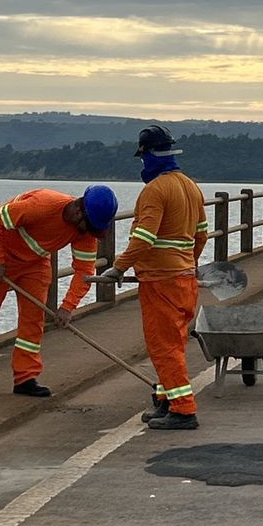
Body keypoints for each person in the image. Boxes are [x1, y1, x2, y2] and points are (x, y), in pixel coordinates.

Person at [0, 185, 118, 399]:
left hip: (34, 263)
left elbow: (84, 272)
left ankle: (25, 378)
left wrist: (67, 307)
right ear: (79, 210)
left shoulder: (86, 231)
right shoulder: (42, 205)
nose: (89, 233)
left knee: (33, 321)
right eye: (89, 226)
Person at [101, 125, 208, 432]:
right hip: (184, 278)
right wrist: (191, 262)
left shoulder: (155, 190)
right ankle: (165, 400)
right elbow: (201, 234)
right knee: (172, 344)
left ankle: (183, 410)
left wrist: (119, 267)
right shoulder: (190, 186)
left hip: (162, 280)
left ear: (148, 156)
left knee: (163, 347)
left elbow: (144, 238)